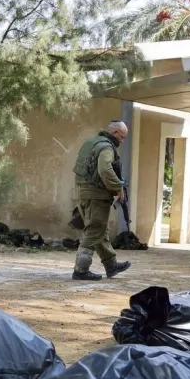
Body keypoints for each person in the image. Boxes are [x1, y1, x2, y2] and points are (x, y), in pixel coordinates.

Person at [70, 120, 133, 281]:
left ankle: (111, 265)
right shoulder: (106, 147)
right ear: (115, 133)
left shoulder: (91, 142)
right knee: (94, 230)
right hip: (96, 195)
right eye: (122, 137)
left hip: (83, 192)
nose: (122, 141)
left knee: (100, 231)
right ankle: (81, 270)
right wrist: (118, 187)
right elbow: (105, 169)